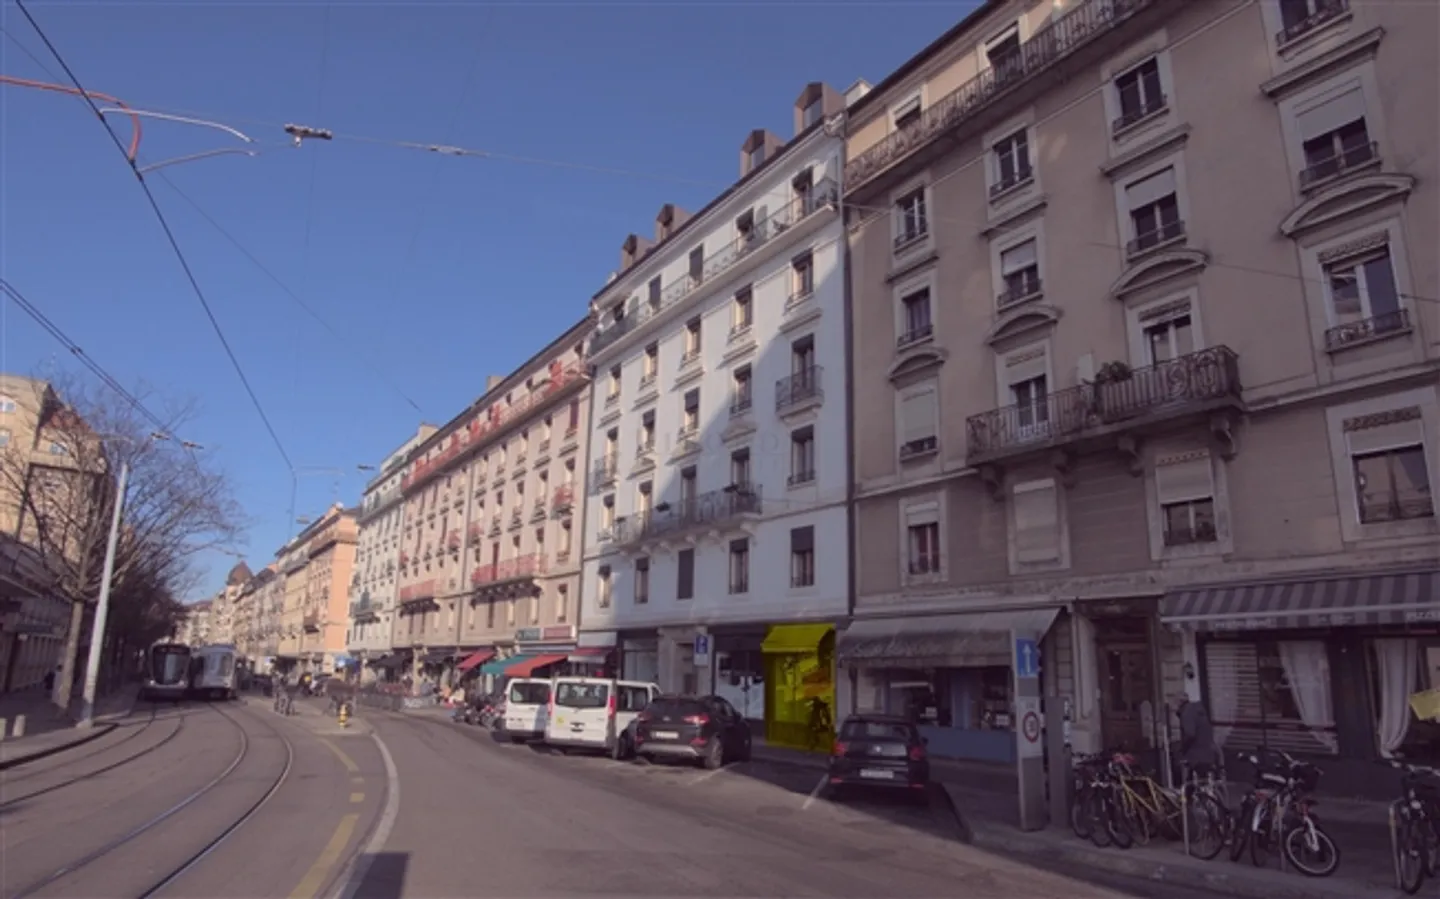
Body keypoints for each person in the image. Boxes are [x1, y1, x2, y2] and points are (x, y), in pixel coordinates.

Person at [1171, 691, 1220, 779]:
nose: (1174, 707)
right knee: (1203, 779)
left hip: (1196, 755)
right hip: (1208, 752)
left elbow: (1190, 734)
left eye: (1175, 702)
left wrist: (1183, 748)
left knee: (1193, 781)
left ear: (1179, 702)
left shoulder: (1187, 713)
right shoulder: (1197, 711)